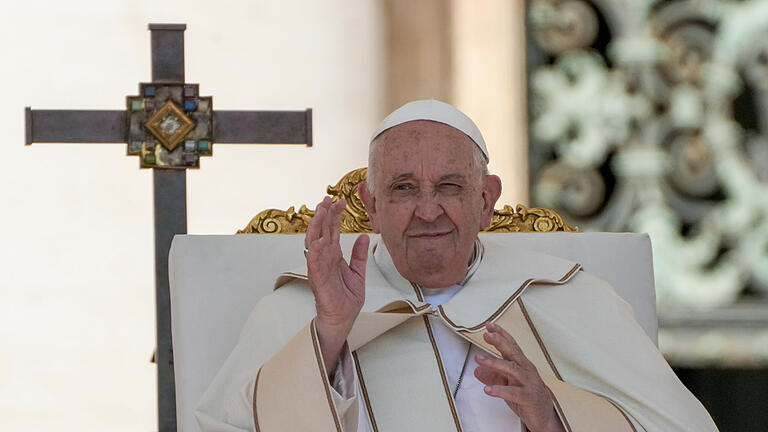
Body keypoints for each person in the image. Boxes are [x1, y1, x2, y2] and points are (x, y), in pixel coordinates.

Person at [195, 100, 718, 432]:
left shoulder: (571, 299)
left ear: (487, 200)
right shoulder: (300, 308)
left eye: (450, 186)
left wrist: (552, 415)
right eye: (403, 189)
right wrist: (329, 336)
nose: (428, 210)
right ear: (370, 204)